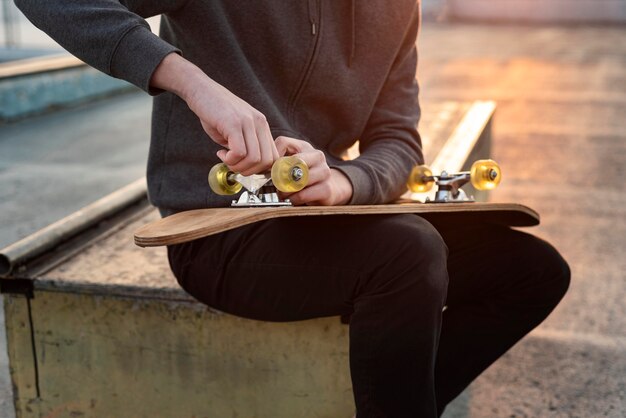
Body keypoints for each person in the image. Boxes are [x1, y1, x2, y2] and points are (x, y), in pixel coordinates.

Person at [16, 1, 570, 416]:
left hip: (325, 221)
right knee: (409, 251)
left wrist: (345, 183)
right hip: (218, 231)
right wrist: (192, 82)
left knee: (534, 271)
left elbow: (399, 139)